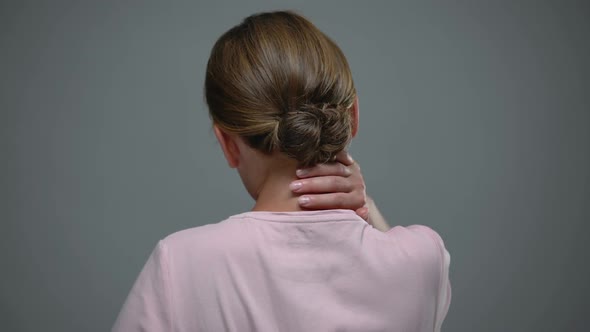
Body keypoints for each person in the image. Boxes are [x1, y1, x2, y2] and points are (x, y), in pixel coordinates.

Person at [112, 10, 451, 332]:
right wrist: (366, 204)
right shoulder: (423, 260)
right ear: (354, 116)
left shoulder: (181, 265)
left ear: (228, 142)